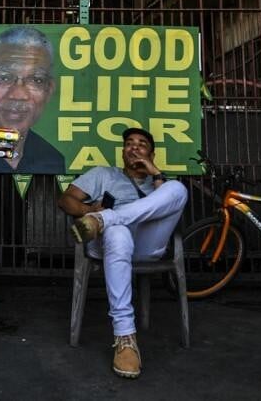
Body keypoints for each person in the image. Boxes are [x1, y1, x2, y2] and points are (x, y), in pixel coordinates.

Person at [57, 127, 188, 380]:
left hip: (146, 245)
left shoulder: (160, 183)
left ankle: (105, 219)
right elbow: (66, 200)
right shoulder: (104, 174)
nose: (134, 148)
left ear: (152, 153)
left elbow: (167, 202)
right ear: (122, 150)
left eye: (141, 144)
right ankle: (125, 337)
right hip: (107, 244)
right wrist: (88, 208)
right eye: (129, 143)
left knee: (178, 189)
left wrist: (155, 173)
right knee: (118, 233)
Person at [0, 26, 65, 175]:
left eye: (36, 80)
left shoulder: (53, 159)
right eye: (4, 77)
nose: (18, 94)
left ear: (48, 90)